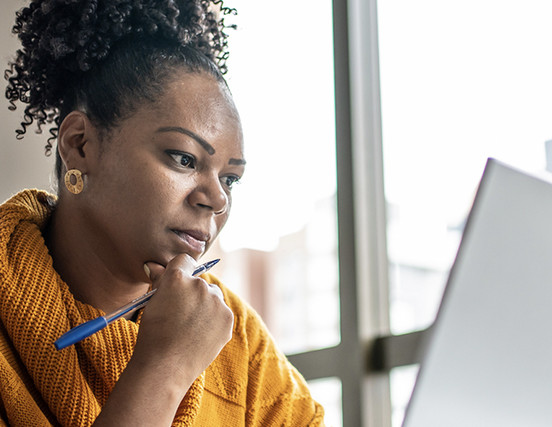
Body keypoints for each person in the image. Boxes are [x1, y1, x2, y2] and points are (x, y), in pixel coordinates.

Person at [0, 0, 325, 425]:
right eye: (184, 159)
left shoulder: (241, 343)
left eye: (230, 179)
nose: (218, 199)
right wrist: (165, 368)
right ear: (80, 145)